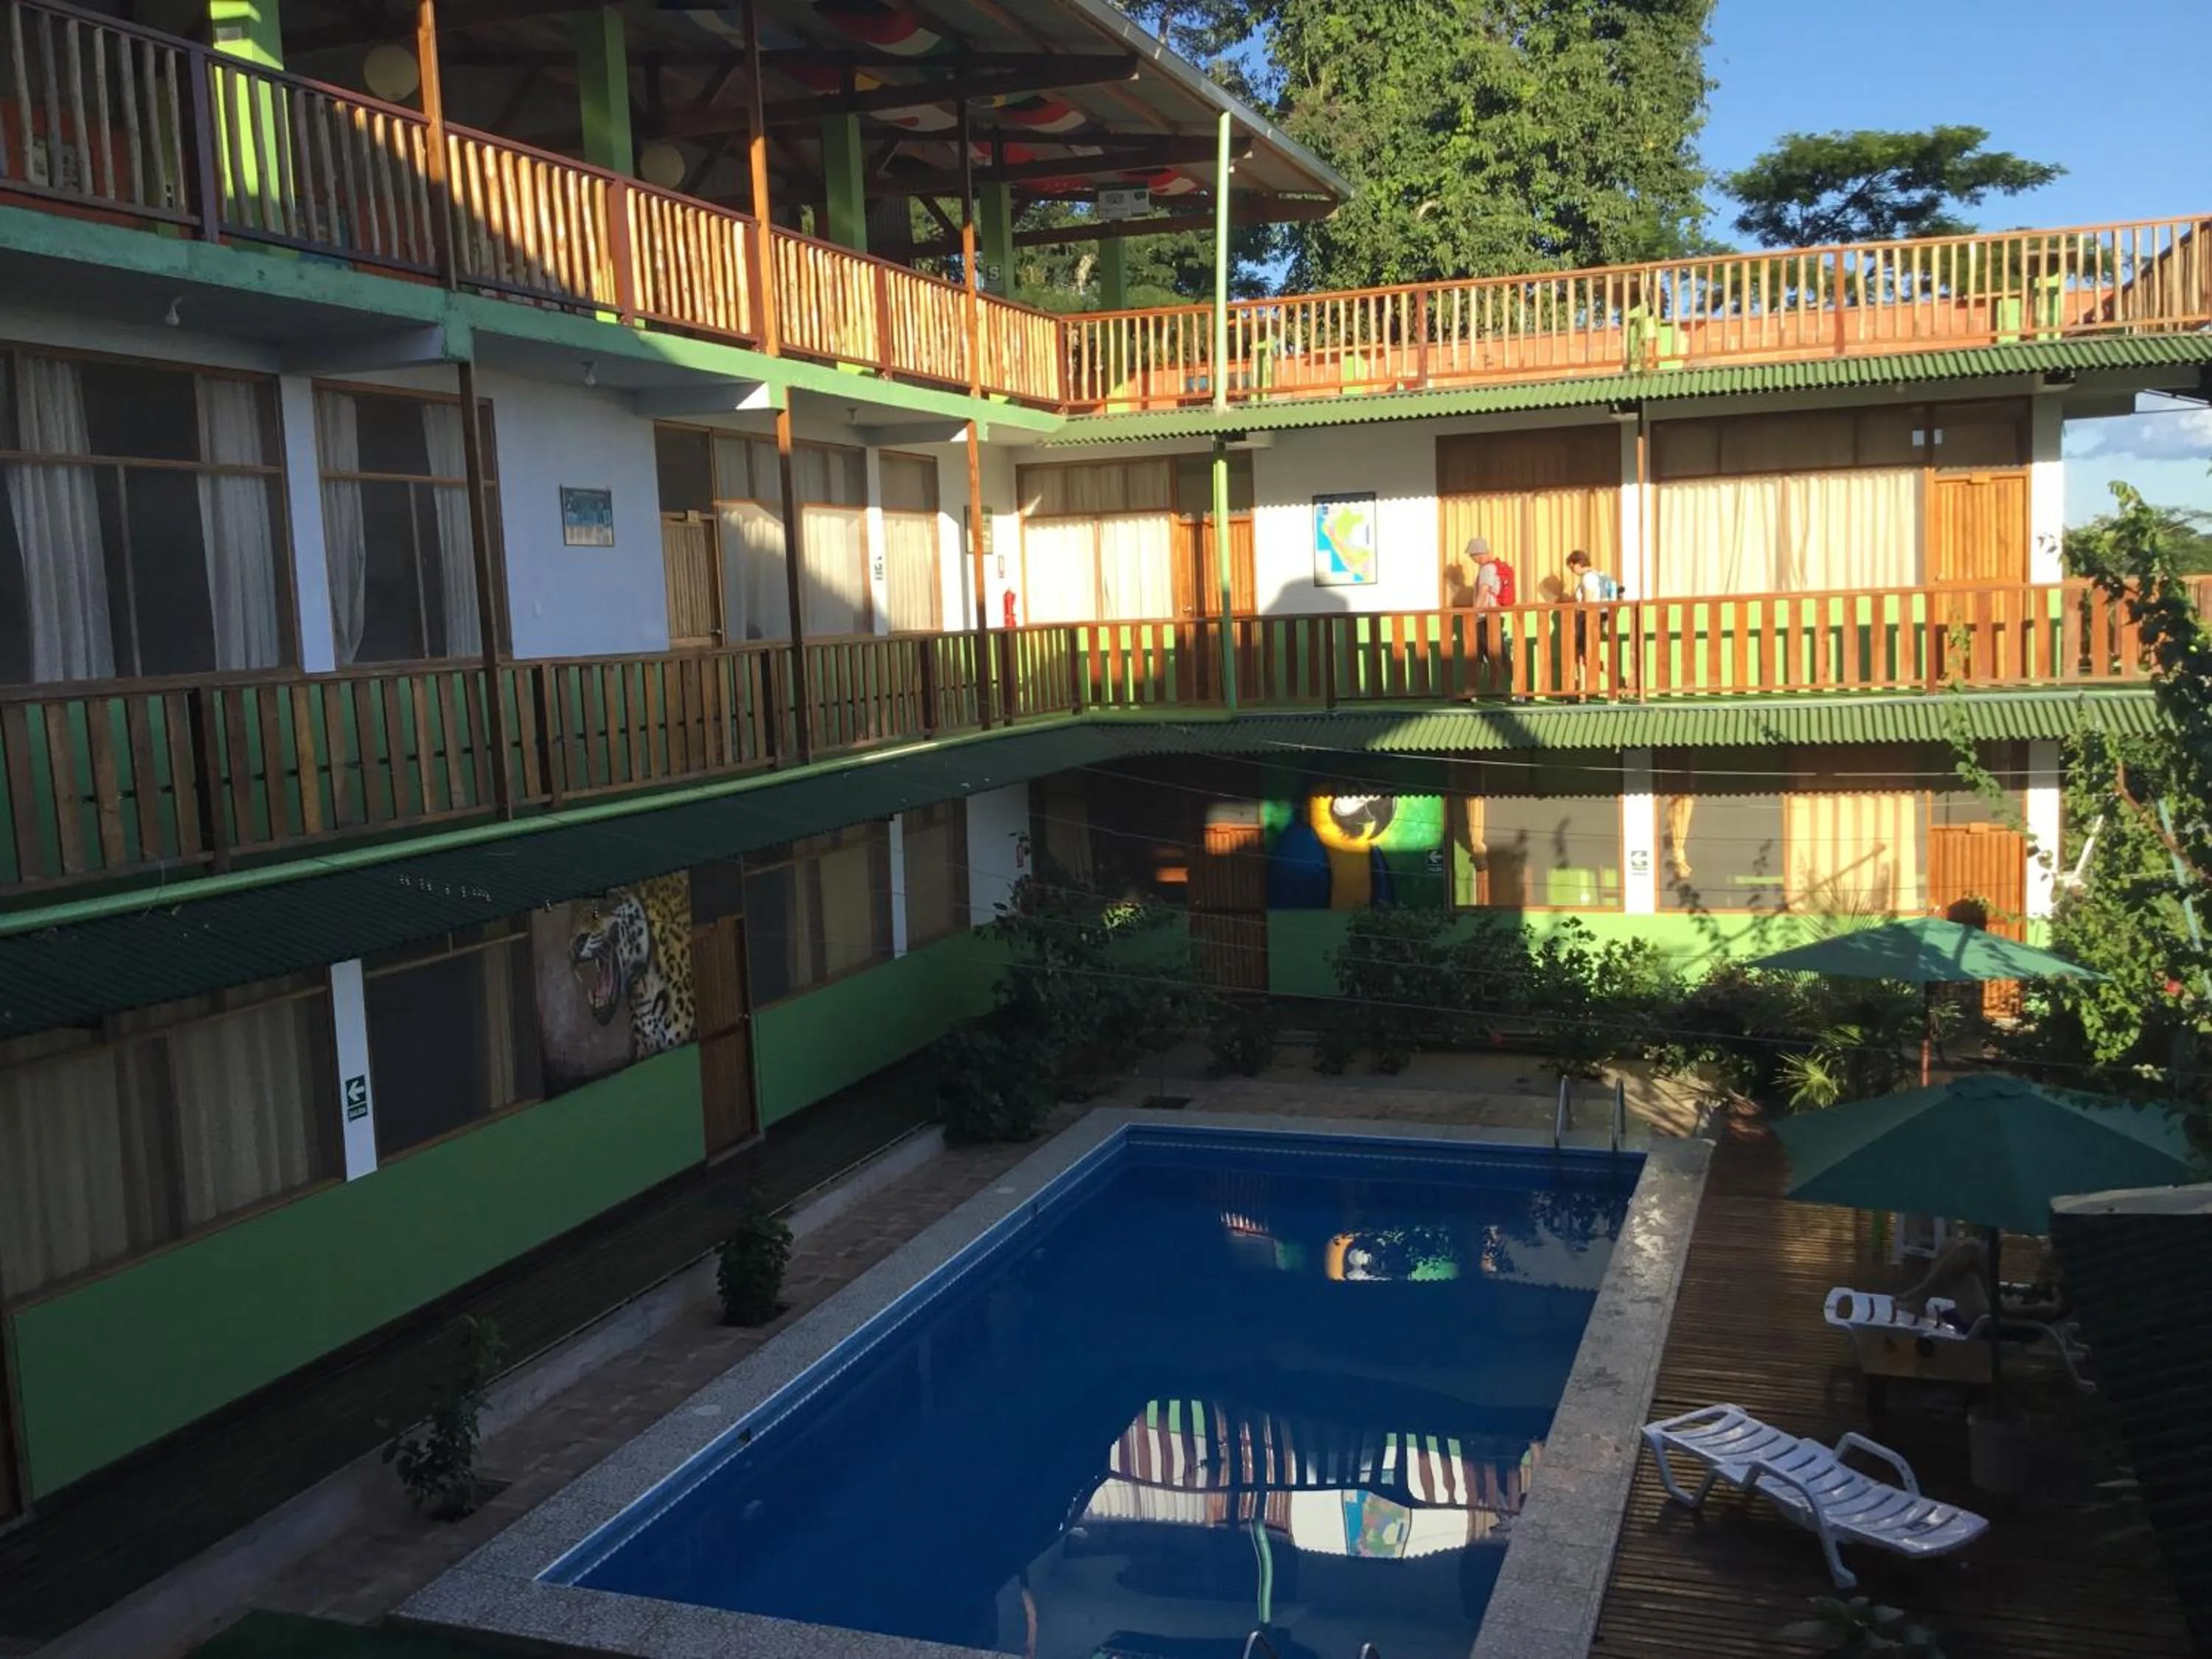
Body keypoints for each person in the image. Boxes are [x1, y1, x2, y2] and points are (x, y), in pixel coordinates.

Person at [1465, 535, 1515, 695]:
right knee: (1486, 651)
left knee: (1494, 651)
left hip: (1486, 616)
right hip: (1492, 615)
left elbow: (1484, 590)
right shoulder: (1494, 567)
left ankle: (1512, 685)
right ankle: (1474, 688)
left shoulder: (1487, 569)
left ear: (1478, 555)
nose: (1473, 560)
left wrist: (1475, 612)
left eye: (1472, 557)